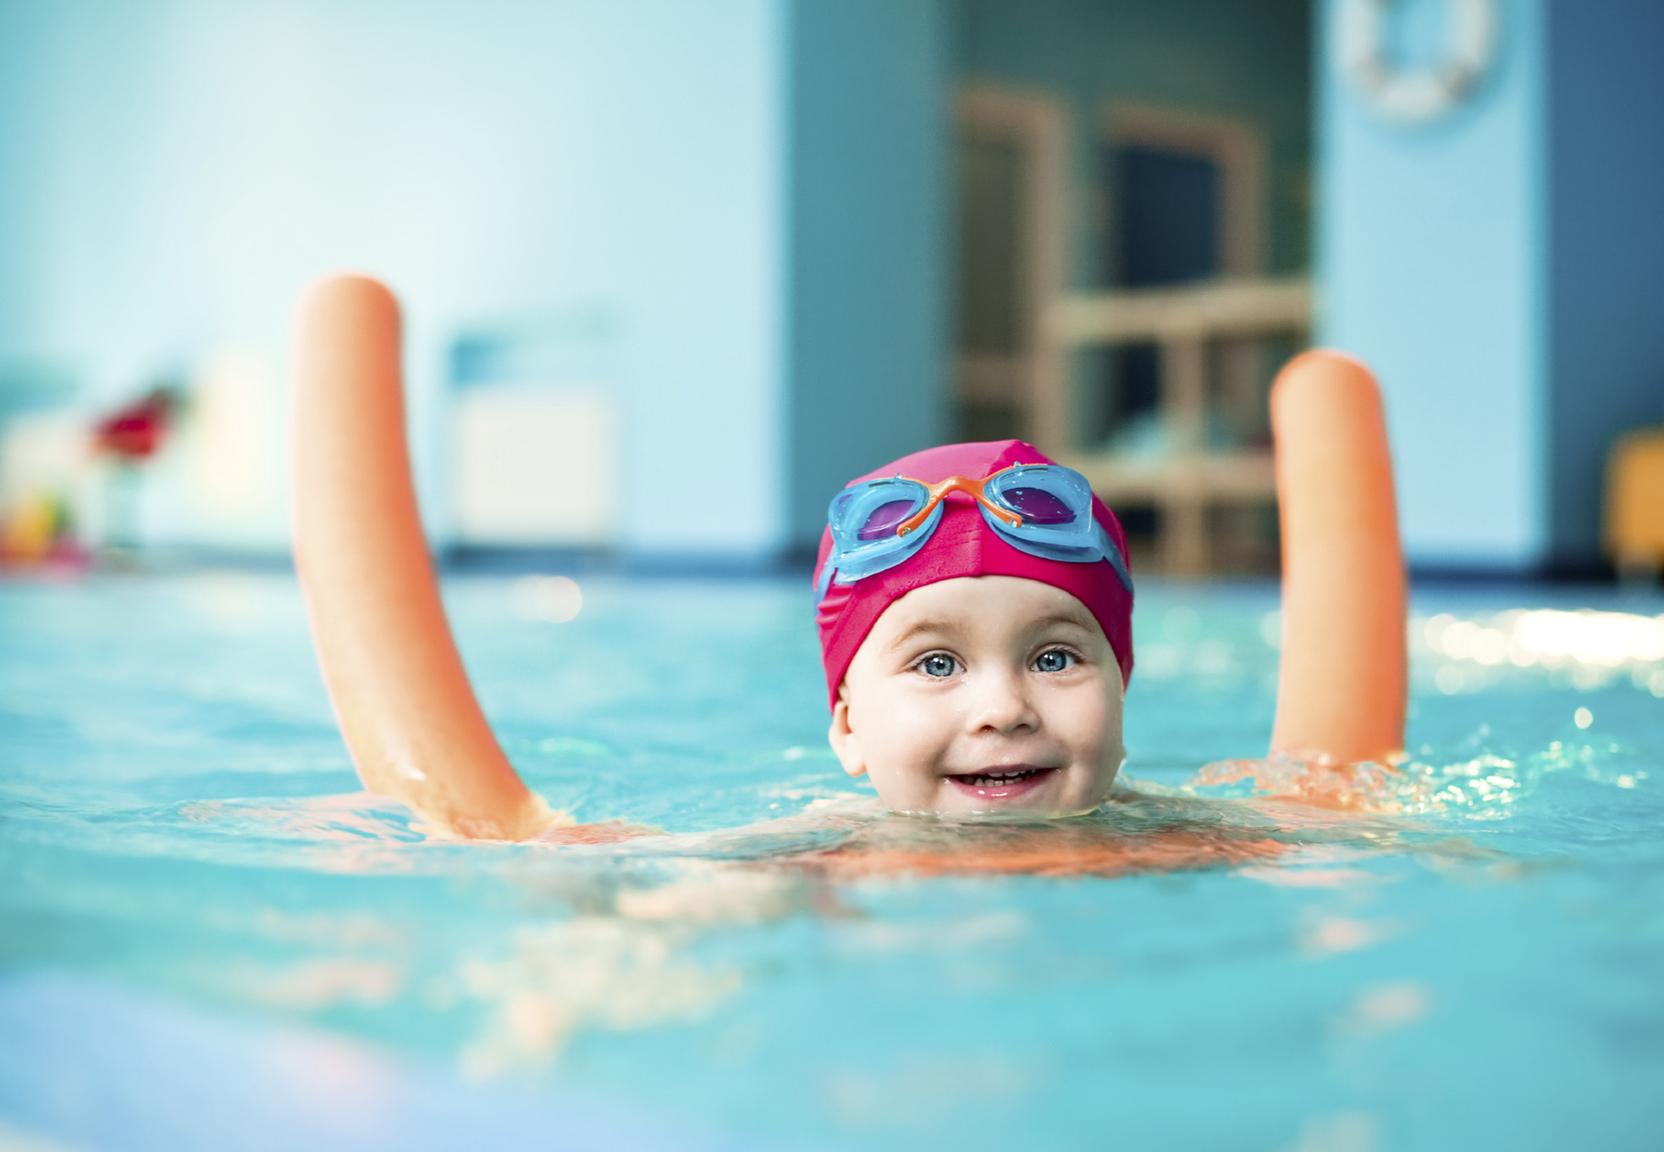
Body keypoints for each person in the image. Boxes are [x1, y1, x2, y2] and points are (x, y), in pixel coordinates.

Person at [292, 275, 1406, 867]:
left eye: (1058, 654)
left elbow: (1347, 837)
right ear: (843, 726)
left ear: (1123, 691)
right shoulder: (822, 856)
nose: (1002, 709)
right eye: (933, 663)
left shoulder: (1180, 839)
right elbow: (608, 876)